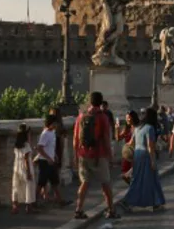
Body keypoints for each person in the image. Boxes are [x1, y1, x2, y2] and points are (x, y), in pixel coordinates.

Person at [73, 92, 119, 220]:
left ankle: (78, 209)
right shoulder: (102, 117)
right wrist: (110, 157)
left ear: (90, 101)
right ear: (100, 102)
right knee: (105, 183)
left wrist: (76, 156)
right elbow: (105, 139)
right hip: (99, 155)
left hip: (83, 154)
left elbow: (76, 139)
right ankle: (111, 210)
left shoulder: (81, 116)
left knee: (84, 183)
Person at [123, 107, 166, 210]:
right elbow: (150, 147)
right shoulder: (150, 128)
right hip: (146, 156)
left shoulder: (138, 128)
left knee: (137, 179)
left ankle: (154, 202)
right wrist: (153, 161)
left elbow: (130, 143)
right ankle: (155, 202)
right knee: (151, 179)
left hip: (137, 155)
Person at [34, 114, 65, 206]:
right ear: (50, 123)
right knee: (41, 182)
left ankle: (60, 200)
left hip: (51, 161)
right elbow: (39, 148)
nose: (56, 125)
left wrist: (54, 155)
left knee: (55, 181)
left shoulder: (52, 132)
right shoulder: (45, 134)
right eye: (54, 123)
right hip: (44, 162)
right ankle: (35, 201)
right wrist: (48, 158)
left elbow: (50, 147)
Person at [11, 123, 36, 214]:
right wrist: (29, 172)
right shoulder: (26, 145)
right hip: (25, 167)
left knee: (16, 186)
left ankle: (14, 206)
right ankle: (28, 207)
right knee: (28, 186)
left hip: (16, 166)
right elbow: (26, 159)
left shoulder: (16, 145)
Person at [119, 111, 137, 184]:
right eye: (126, 118)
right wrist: (116, 128)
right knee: (125, 174)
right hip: (127, 153)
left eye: (129, 118)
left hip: (135, 153)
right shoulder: (126, 128)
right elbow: (118, 138)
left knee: (133, 173)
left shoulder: (137, 128)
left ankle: (134, 188)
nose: (127, 119)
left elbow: (132, 142)